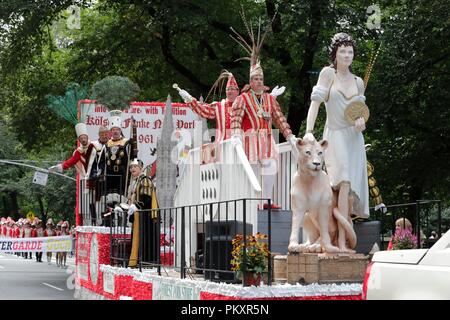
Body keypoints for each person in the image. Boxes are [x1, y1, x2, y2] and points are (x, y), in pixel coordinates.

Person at [303, 33, 369, 252]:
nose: (347, 55)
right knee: (342, 182)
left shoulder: (359, 82)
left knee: (348, 190)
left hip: (353, 138)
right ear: (335, 53)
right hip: (335, 135)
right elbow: (315, 104)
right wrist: (309, 131)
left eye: (350, 51)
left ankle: (343, 240)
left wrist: (361, 123)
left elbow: (359, 114)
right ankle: (338, 240)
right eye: (342, 51)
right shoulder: (327, 74)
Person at [230, 29, 296, 209]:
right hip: (250, 139)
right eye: (256, 79)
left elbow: (280, 119)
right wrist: (236, 134)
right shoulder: (242, 98)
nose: (259, 81)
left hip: (267, 138)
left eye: (261, 78)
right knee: (253, 169)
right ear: (251, 82)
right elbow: (235, 118)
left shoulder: (269, 99)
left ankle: (266, 201)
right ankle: (255, 203)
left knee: (270, 168)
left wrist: (289, 135)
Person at [178, 71, 240, 142]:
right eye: (228, 89)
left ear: (237, 91)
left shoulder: (244, 105)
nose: (229, 91)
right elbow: (203, 110)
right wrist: (189, 99)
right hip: (223, 145)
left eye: (232, 89)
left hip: (242, 144)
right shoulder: (220, 106)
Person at [118, 158, 159, 268]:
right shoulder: (134, 183)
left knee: (144, 239)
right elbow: (131, 200)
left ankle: (146, 262)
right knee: (136, 240)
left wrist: (137, 205)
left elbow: (147, 197)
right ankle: (136, 261)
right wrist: (122, 207)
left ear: (141, 168)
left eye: (135, 167)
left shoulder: (144, 180)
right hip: (137, 217)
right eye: (131, 167)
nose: (132, 169)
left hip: (146, 217)